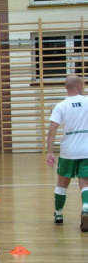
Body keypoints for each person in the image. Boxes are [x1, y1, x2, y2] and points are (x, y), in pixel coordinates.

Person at [46, 75, 88, 232]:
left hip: (68, 151)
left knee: (62, 182)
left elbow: (52, 129)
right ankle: (85, 207)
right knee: (85, 182)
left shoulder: (61, 106)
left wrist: (50, 152)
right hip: (86, 150)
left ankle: (58, 214)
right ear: (79, 86)